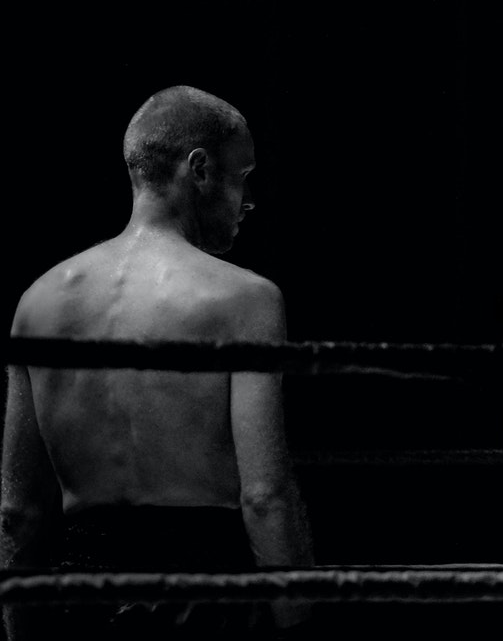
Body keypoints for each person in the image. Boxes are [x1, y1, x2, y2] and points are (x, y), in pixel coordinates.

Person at [1, 85, 314, 638]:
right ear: (199, 170)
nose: (247, 201)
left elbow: (19, 514)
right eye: (242, 177)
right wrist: (300, 628)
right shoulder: (245, 299)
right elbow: (265, 496)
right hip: (203, 605)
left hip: (81, 607)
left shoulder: (39, 301)